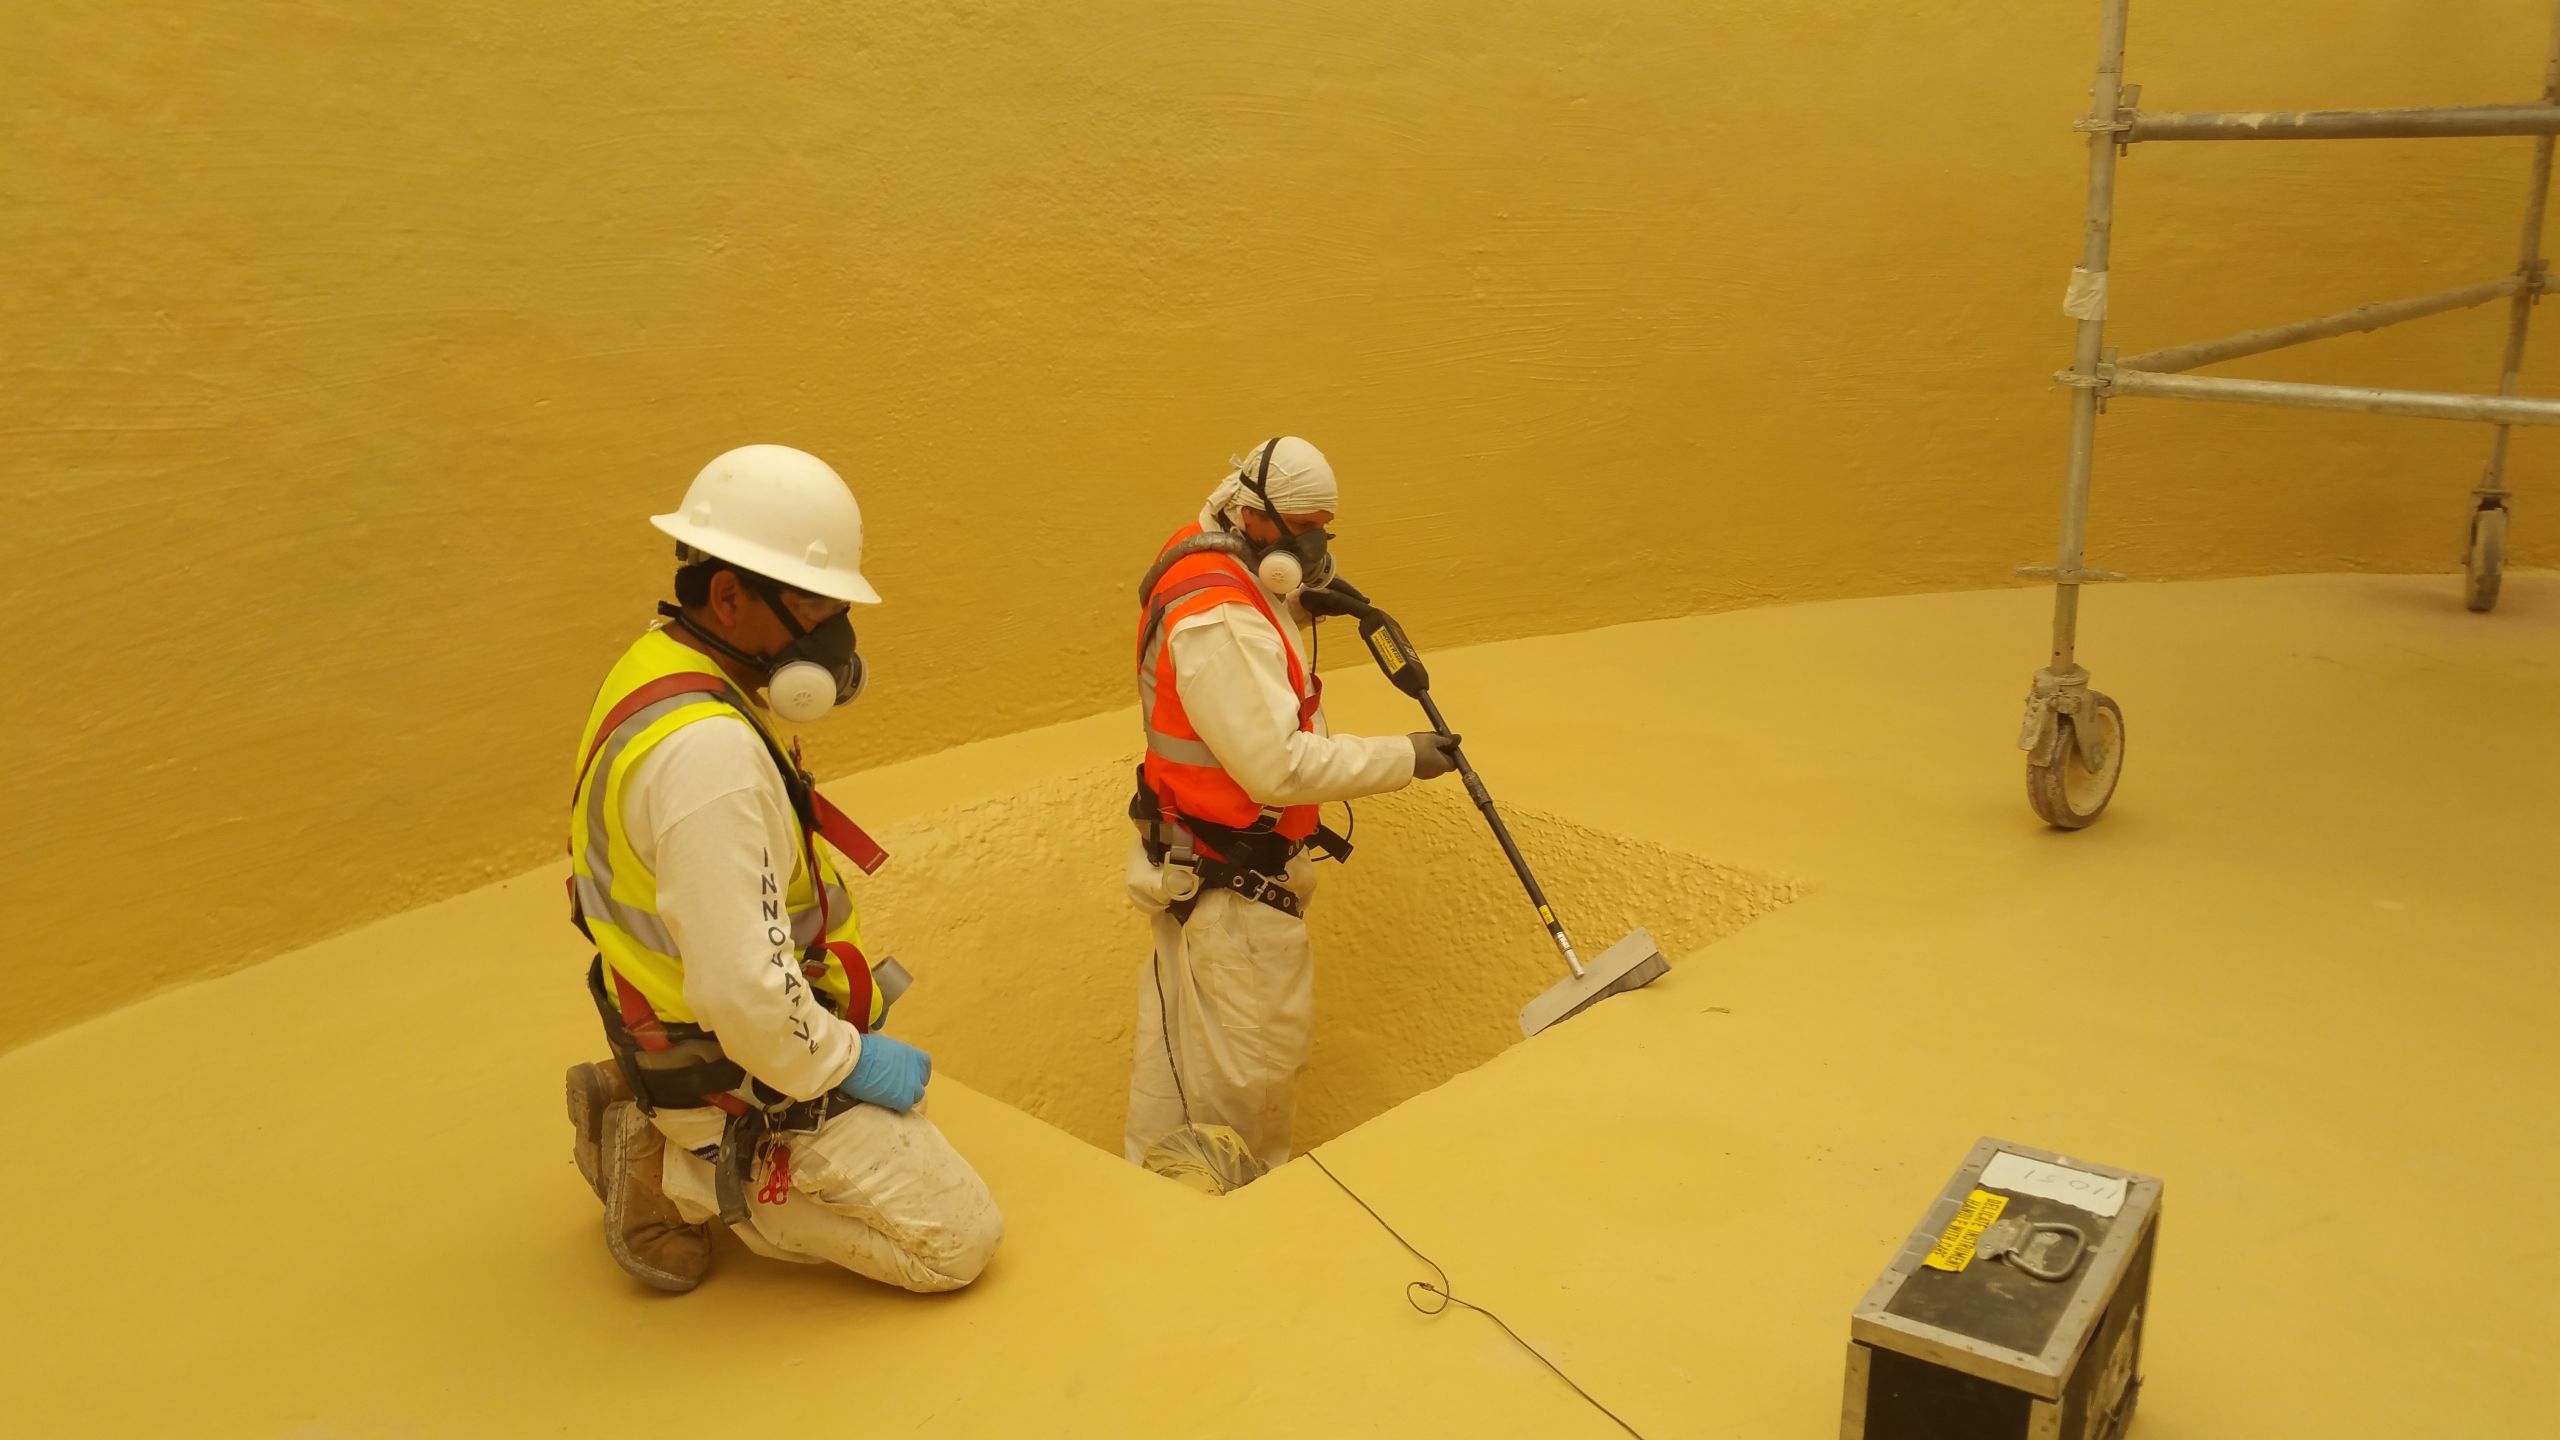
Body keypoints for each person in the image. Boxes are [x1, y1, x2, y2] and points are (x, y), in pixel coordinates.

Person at [560, 443, 1000, 1293]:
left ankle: (632, 1092)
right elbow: (744, 993)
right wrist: (845, 1062)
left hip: (678, 1022)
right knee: (958, 1242)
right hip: (734, 1065)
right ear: (729, 596)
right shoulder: (709, 756)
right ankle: (668, 1168)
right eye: (812, 605)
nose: (833, 637)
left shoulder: (662, 668)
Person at [1122, 436, 1461, 1186]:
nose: (1312, 548)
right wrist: (1406, 757)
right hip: (1234, 897)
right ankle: (1234, 1223)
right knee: (1249, 1088)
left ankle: (1162, 1214)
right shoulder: (1221, 620)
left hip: (1201, 867)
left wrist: (1291, 600)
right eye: (1302, 530)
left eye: (1322, 531)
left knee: (1180, 1080)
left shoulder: (1208, 555)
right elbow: (1276, 767)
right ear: (1255, 516)